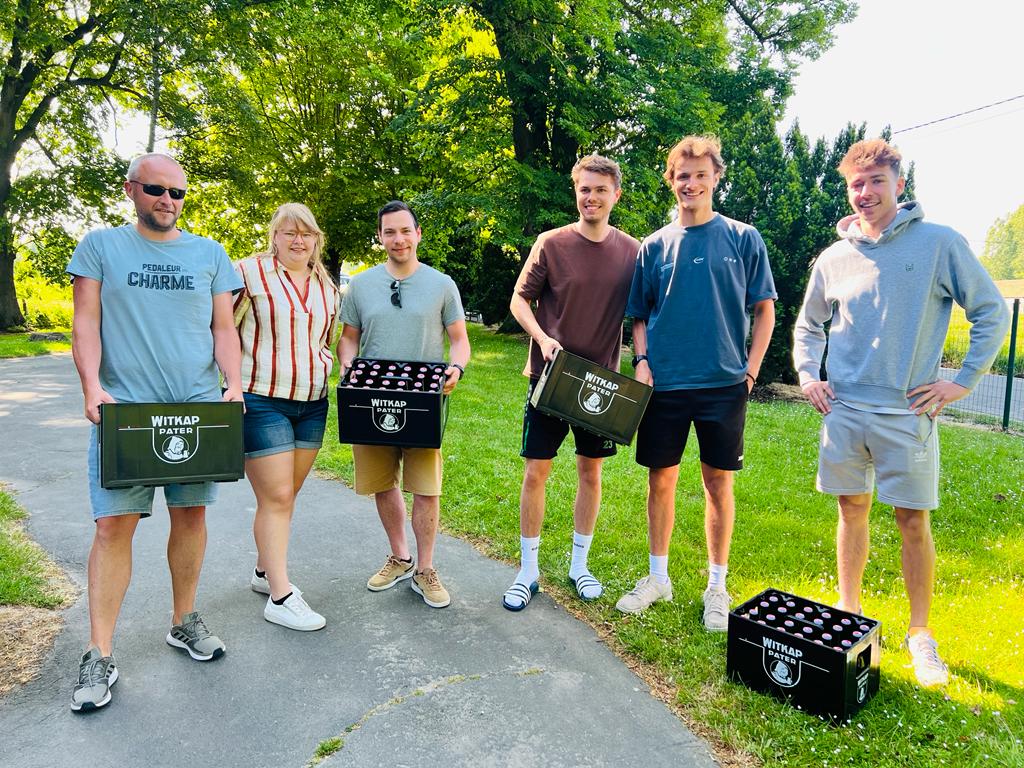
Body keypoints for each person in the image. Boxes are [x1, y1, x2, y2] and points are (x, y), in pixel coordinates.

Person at [792, 138, 1010, 687]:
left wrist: (961, 382)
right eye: (856, 185)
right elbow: (808, 324)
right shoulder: (834, 257)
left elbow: (989, 311)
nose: (865, 194)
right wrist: (807, 374)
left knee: (912, 521)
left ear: (899, 185)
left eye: (876, 182)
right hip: (843, 412)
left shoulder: (939, 244)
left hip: (905, 414)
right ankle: (848, 611)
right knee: (851, 511)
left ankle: (920, 636)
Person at [68, 153, 243, 711]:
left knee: (192, 514)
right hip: (126, 410)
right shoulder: (101, 247)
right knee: (113, 527)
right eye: (155, 189)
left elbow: (223, 326)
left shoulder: (210, 254)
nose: (167, 200)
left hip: (195, 406)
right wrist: (92, 386)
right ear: (132, 191)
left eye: (177, 193)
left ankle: (183, 619)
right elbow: (86, 320)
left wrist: (234, 383)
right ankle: (98, 652)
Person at [616, 135, 776, 630]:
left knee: (717, 484)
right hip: (665, 384)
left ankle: (717, 588)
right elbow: (638, 314)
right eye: (682, 175)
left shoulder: (744, 238)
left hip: (724, 385)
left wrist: (750, 371)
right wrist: (641, 360)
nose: (691, 183)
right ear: (672, 180)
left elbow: (765, 309)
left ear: (715, 177)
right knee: (660, 480)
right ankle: (658, 578)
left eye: (700, 174)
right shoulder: (653, 245)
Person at [502, 154, 640, 611]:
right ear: (575, 192)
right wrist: (541, 338)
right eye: (584, 189)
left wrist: (641, 360)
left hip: (598, 384)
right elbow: (520, 301)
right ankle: (528, 570)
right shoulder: (551, 243)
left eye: (601, 190)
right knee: (535, 472)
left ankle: (580, 566)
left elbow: (642, 312)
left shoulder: (632, 252)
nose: (591, 197)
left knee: (590, 472)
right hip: (550, 377)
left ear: (615, 195)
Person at [338, 201, 470, 608]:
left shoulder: (441, 284)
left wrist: (457, 369)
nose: (398, 239)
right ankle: (400, 555)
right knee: (382, 483)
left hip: (423, 399)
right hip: (372, 397)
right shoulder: (360, 286)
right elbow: (349, 338)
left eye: (405, 231)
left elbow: (460, 340)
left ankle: (425, 568)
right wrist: (347, 363)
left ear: (417, 234)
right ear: (379, 237)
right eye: (389, 232)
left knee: (426, 489)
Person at [233, 203, 342, 631]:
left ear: (317, 240)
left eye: (307, 234)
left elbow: (327, 340)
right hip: (261, 398)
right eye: (289, 233)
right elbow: (219, 328)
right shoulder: (247, 273)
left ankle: (263, 572)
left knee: (285, 496)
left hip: (312, 401)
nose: (299, 241)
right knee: (276, 497)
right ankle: (280, 595)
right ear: (274, 237)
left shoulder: (327, 286)